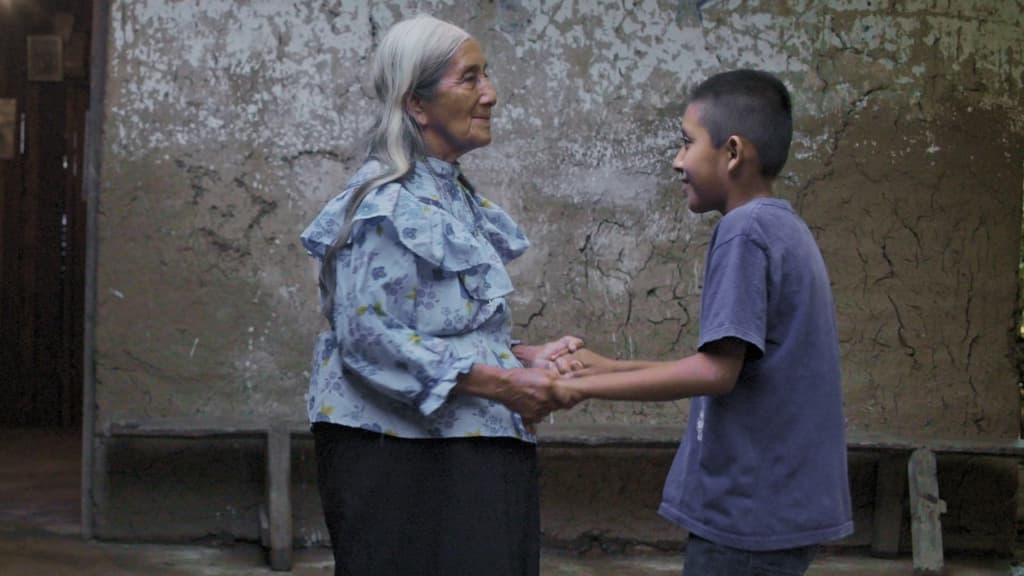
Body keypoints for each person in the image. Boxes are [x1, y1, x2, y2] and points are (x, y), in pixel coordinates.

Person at [300, 14, 578, 576]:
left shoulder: (450, 197)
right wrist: (503, 383)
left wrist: (518, 356)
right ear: (416, 103)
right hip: (406, 461)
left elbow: (436, 323)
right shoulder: (386, 205)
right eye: (470, 78)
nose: (490, 94)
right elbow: (367, 334)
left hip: (461, 449)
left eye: (486, 75)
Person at [552, 70, 853, 575]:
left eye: (687, 143)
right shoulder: (783, 226)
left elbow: (716, 373)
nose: (677, 161)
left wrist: (581, 387)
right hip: (774, 509)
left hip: (746, 515)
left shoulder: (744, 231)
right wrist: (610, 366)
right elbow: (728, 361)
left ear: (732, 153)